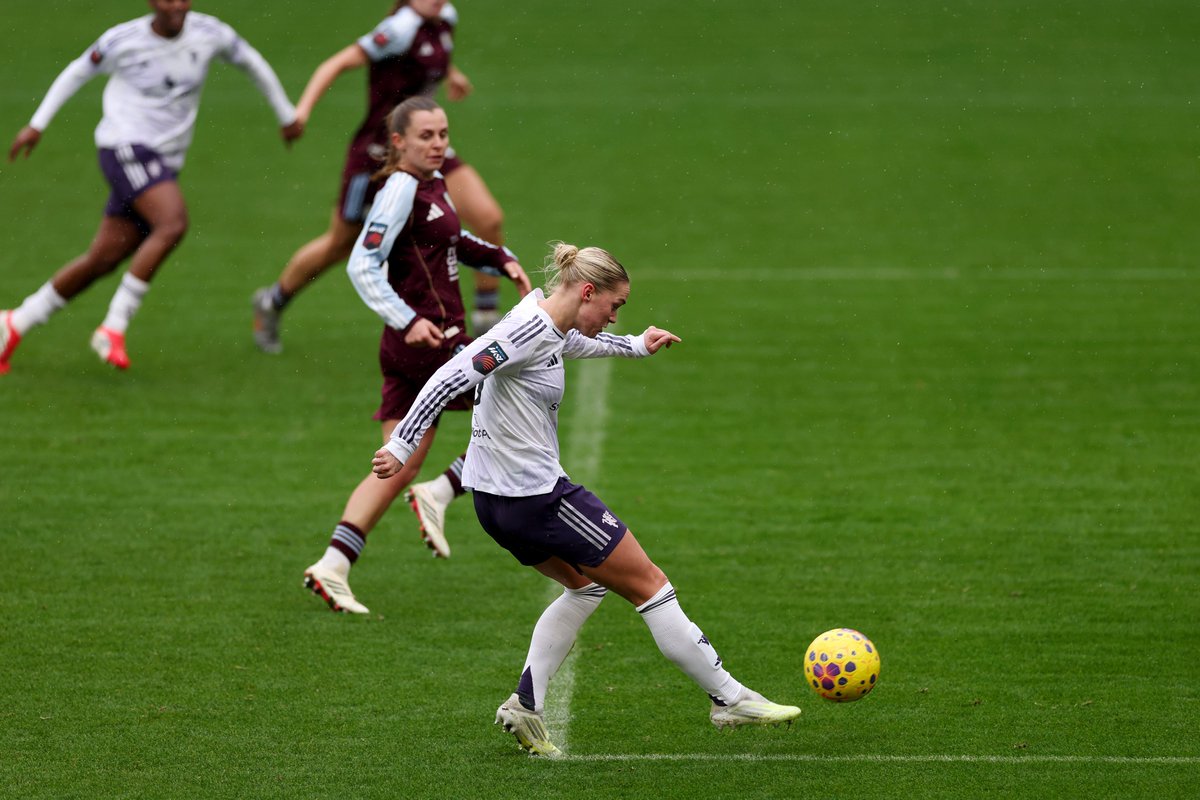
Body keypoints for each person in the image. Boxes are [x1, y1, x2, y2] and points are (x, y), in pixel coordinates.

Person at [371, 243, 802, 756]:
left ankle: (526, 705)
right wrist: (400, 444)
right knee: (650, 585)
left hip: (494, 502)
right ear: (587, 291)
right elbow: (450, 375)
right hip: (540, 500)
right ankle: (728, 697)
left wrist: (635, 344)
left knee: (585, 588)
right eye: (614, 306)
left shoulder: (543, 322)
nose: (615, 314)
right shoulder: (523, 330)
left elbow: (572, 343)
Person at [303, 96, 531, 614]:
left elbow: (450, 242)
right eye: (426, 136)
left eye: (443, 134)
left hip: (411, 347)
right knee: (520, 416)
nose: (438, 144)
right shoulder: (400, 189)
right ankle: (444, 491)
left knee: (396, 463)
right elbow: (362, 264)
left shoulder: (431, 184)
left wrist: (500, 259)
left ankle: (333, 564)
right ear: (399, 141)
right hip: (432, 342)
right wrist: (408, 319)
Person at [0, 0, 301, 374]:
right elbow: (77, 72)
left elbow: (251, 61)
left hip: (161, 162)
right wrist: (37, 124)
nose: (176, 5)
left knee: (104, 257)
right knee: (172, 223)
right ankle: (113, 326)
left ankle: (14, 323)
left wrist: (285, 113)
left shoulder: (210, 33)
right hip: (125, 147)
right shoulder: (123, 40)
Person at [252, 0, 507, 357]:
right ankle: (272, 301)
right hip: (377, 155)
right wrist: (302, 112)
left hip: (427, 145)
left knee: (488, 219)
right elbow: (336, 63)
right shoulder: (399, 30)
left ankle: (485, 322)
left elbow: (432, 55)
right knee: (340, 244)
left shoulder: (445, 17)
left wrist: (452, 73)